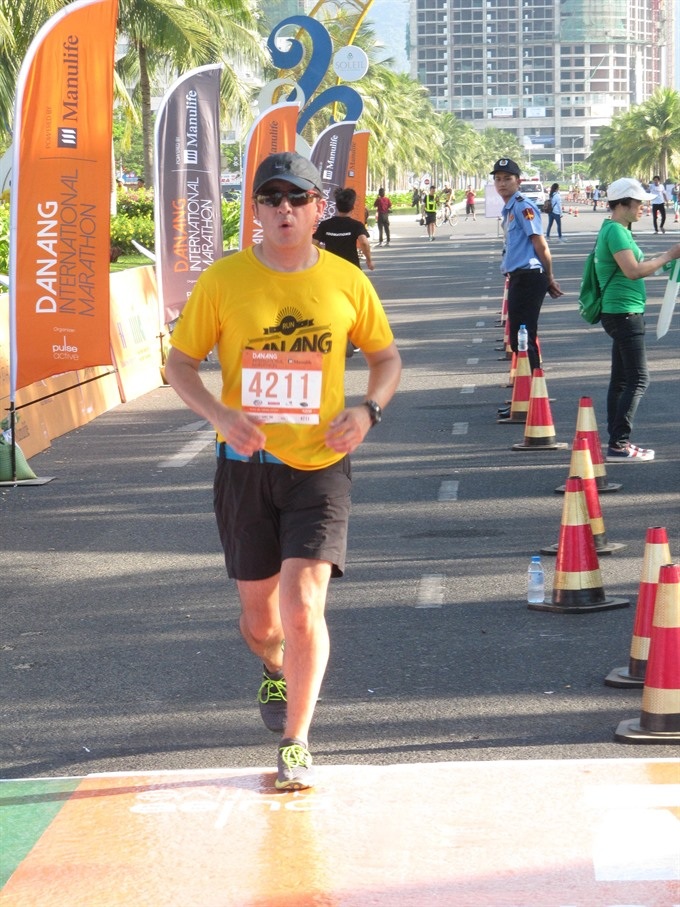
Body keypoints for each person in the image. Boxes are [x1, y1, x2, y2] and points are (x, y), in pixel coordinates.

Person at [164, 151, 401, 791]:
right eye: (272, 199)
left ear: (319, 208)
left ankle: (296, 742)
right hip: (245, 466)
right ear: (258, 212)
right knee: (263, 623)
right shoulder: (223, 280)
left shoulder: (346, 282)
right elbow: (179, 366)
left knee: (303, 609)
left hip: (320, 465)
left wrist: (368, 411)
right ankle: (273, 666)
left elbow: (386, 359)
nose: (285, 210)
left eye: (297, 198)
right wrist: (220, 415)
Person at [594, 177, 680, 461]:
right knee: (639, 379)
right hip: (623, 312)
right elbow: (632, 271)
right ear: (622, 204)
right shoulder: (616, 232)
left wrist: (665, 260)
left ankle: (616, 442)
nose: (643, 206)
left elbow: (638, 266)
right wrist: (668, 255)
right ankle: (619, 443)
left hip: (621, 310)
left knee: (621, 379)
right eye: (639, 202)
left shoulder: (618, 230)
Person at [491, 158, 563, 415]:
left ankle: (534, 396)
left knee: (523, 336)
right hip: (520, 276)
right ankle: (527, 394)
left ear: (518, 181)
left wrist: (550, 276)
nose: (502, 183)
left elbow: (540, 244)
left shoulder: (523, 207)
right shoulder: (509, 209)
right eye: (498, 179)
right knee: (519, 337)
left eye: (507, 179)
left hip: (530, 275)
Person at [313, 187, 374, 272]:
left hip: (331, 267)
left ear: (337, 206)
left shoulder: (325, 225)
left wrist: (325, 254)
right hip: (352, 267)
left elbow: (314, 242)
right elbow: (364, 242)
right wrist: (369, 260)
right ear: (352, 207)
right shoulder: (357, 225)